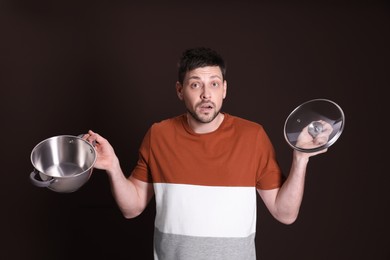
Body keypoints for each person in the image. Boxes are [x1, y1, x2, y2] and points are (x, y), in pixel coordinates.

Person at [83, 47, 332, 260]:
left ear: (224, 89)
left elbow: (284, 213)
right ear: (180, 90)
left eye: (213, 83)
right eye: (195, 84)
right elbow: (132, 208)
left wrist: (300, 158)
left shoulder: (253, 136)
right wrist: (114, 167)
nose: (206, 94)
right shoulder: (158, 135)